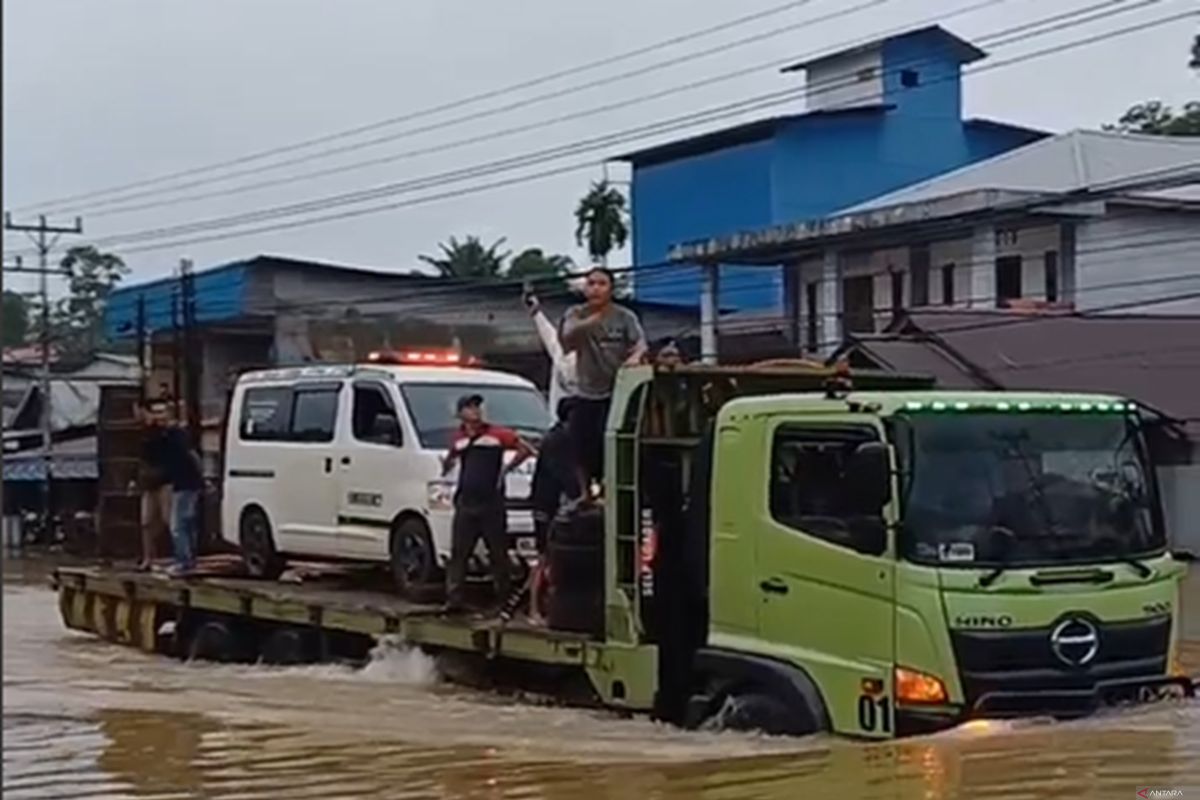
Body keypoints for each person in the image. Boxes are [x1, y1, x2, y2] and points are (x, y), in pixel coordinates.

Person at [559, 267, 647, 496]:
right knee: (578, 444)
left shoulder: (625, 317)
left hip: (616, 392)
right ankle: (584, 492)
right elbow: (567, 337)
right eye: (591, 283)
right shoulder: (575, 313)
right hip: (586, 391)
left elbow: (640, 344)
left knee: (612, 444)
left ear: (611, 289)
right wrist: (591, 322)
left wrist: (635, 357)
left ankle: (610, 487)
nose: (595, 288)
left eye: (601, 284)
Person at [441, 394, 533, 613]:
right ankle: (455, 599)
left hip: (491, 503)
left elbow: (525, 448)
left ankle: (502, 598)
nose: (476, 411)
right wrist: (447, 466)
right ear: (461, 413)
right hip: (466, 502)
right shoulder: (459, 438)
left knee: (497, 552)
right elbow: (451, 456)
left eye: (478, 407)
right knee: (459, 553)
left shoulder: (497, 434)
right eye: (470, 407)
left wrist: (507, 469)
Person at [156, 404, 204, 576]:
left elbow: (191, 455)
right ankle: (190, 560)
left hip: (184, 483)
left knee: (178, 525)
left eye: (162, 413)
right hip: (189, 482)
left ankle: (183, 562)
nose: (159, 417)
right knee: (188, 523)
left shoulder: (174, 435)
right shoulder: (179, 434)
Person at [525, 284, 578, 413]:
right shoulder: (559, 350)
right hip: (557, 421)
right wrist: (535, 311)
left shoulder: (592, 356)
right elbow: (547, 332)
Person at [135, 401, 171, 572]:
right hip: (149, 482)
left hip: (165, 480)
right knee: (146, 521)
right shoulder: (142, 433)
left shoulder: (165, 432)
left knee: (167, 518)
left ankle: (172, 555)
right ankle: (148, 557)